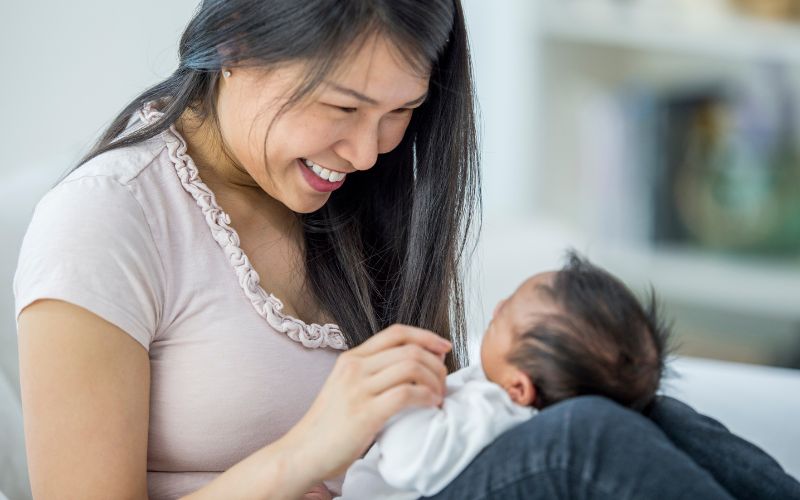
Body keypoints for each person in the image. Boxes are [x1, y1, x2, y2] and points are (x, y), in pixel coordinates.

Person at [12, 1, 800, 499]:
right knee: (584, 440)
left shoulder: (360, 199)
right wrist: (303, 453)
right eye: (342, 106)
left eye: (402, 113)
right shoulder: (107, 221)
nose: (367, 151)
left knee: (639, 405)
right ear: (237, 43)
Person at [340, 251, 672, 498]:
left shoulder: (490, 409)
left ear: (518, 386)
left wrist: (402, 396)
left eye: (505, 315)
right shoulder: (506, 402)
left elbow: (408, 462)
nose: (496, 307)